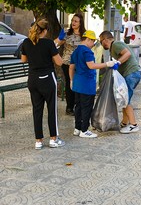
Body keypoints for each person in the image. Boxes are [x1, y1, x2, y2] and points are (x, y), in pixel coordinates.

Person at [21, 18, 65, 150]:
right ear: (45, 31)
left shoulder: (26, 42)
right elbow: (59, 62)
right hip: (47, 79)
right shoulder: (48, 43)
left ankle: (38, 141)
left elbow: (23, 60)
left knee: (37, 110)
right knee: (52, 109)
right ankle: (53, 139)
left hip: (33, 79)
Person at [69, 30, 116, 138]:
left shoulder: (76, 51)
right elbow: (91, 66)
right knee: (87, 107)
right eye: (93, 41)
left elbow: (71, 67)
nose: (93, 44)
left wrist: (72, 80)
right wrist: (107, 64)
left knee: (78, 107)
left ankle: (77, 128)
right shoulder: (87, 52)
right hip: (87, 84)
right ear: (88, 39)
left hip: (77, 84)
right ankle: (84, 130)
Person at [99, 30, 141, 134]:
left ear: (105, 39)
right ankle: (124, 123)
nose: (101, 44)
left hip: (131, 73)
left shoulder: (116, 44)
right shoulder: (114, 47)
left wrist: (118, 62)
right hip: (132, 74)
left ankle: (133, 125)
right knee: (124, 98)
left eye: (101, 41)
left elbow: (127, 54)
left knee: (125, 100)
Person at [54, 13, 86, 116]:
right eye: (72, 20)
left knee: (80, 84)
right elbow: (54, 45)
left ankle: (79, 106)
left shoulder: (84, 35)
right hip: (67, 63)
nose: (73, 23)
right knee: (70, 83)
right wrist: (59, 38)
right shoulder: (67, 34)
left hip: (80, 63)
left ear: (80, 23)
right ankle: (69, 107)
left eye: (76, 21)